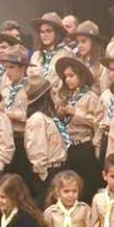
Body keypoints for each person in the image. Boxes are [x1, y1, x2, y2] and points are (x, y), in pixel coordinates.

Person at [55, 57, 103, 202]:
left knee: (86, 186)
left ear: (80, 76)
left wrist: (77, 113)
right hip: (68, 145)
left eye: (71, 76)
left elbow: (96, 122)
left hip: (84, 146)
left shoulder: (90, 97)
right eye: (65, 77)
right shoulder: (66, 97)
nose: (68, 80)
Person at [24, 75, 69, 208]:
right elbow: (37, 148)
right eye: (52, 93)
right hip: (48, 171)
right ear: (45, 96)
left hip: (57, 168)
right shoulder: (37, 119)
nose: (55, 95)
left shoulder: (48, 118)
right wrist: (43, 174)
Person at [0, 45, 31, 179]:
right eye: (6, 68)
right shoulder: (5, 90)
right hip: (8, 138)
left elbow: (34, 115)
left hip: (23, 138)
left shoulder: (30, 88)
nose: (8, 72)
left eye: (11, 67)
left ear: (23, 68)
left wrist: (14, 115)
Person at [29, 12, 75, 87]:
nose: (44, 35)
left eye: (48, 31)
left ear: (57, 32)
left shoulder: (66, 54)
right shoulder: (35, 56)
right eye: (42, 32)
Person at [73, 22, 107, 89]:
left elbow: (104, 90)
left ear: (93, 42)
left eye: (83, 41)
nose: (79, 45)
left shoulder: (102, 66)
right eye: (78, 42)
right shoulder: (76, 63)